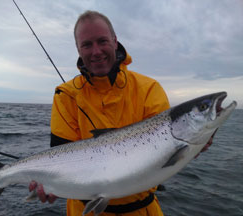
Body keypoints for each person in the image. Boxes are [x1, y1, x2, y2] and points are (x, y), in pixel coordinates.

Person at [29, 10, 212, 215]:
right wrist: (53, 185)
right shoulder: (65, 94)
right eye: (87, 45)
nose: (96, 51)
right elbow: (61, 157)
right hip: (85, 210)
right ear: (78, 50)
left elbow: (166, 154)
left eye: (102, 41)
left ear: (115, 42)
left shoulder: (149, 88)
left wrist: (195, 145)